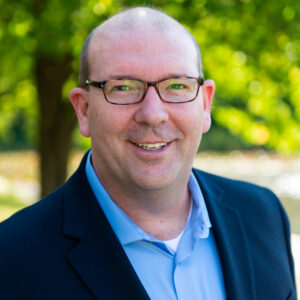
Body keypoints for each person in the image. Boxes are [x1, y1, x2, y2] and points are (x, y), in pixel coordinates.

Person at [0, 7, 297, 300]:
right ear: (84, 110)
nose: (153, 114)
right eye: (124, 87)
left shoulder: (263, 215)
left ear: (205, 105)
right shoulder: (12, 258)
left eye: (177, 85)